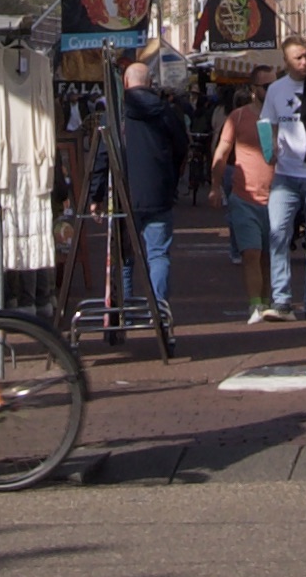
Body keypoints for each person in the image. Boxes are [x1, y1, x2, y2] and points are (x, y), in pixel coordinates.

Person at [109, 50, 191, 360]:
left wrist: (95, 196)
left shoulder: (116, 113)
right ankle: (159, 311)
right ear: (150, 82)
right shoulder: (166, 111)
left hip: (124, 191)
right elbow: (182, 145)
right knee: (158, 254)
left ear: (126, 83)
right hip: (157, 191)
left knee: (124, 255)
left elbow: (104, 153)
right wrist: (170, 175)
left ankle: (125, 311)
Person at [257, 49, 306, 322]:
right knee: (278, 233)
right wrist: (269, 150)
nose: (304, 62)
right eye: (298, 58)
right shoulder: (276, 90)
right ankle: (281, 300)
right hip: (285, 173)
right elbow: (267, 122)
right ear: (286, 61)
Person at [207, 61, 280, 318]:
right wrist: (215, 186)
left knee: (269, 256)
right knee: (251, 253)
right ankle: (255, 304)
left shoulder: (284, 116)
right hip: (244, 196)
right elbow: (222, 152)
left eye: (275, 85)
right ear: (253, 89)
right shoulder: (237, 117)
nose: (271, 91)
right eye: (266, 86)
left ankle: (267, 301)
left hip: (277, 197)